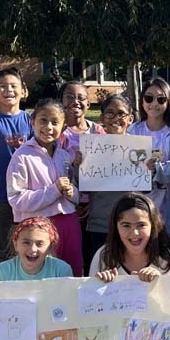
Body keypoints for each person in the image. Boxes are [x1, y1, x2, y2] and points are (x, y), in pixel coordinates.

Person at [7, 99, 83, 276]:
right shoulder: (22, 156)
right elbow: (16, 199)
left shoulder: (64, 156)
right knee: (43, 274)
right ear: (32, 122)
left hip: (69, 222)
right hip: (38, 227)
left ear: (63, 127)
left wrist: (72, 192)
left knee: (72, 271)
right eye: (43, 120)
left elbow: (74, 193)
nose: (48, 127)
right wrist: (53, 190)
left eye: (55, 122)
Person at [128, 77, 170, 248]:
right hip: (137, 212)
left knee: (167, 258)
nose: (154, 103)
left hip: (168, 212)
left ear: (168, 102)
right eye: (149, 98)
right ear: (142, 101)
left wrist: (156, 170)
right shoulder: (132, 130)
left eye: (161, 99)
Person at [0, 68, 33, 259]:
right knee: (5, 245)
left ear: (23, 90)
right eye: (2, 86)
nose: (8, 90)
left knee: (30, 240)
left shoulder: (30, 119)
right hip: (2, 191)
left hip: (29, 192)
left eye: (13, 86)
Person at [58, 80, 106, 272]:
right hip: (66, 204)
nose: (75, 101)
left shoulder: (98, 131)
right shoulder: (57, 132)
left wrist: (92, 202)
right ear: (61, 101)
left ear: (88, 103)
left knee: (93, 253)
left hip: (95, 204)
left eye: (81, 97)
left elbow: (108, 170)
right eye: (69, 96)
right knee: (71, 254)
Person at [83, 94, 136, 265]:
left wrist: (150, 170)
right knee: (98, 269)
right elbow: (84, 187)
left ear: (130, 119)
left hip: (130, 224)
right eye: (110, 113)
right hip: (100, 223)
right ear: (102, 118)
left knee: (128, 271)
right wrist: (79, 165)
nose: (115, 118)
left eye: (121, 114)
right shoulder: (92, 148)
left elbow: (146, 188)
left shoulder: (139, 148)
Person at [90, 192, 170, 283]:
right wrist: (100, 284)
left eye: (141, 225)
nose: (135, 233)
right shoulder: (104, 256)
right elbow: (89, 292)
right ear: (116, 227)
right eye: (126, 225)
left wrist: (159, 283)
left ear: (153, 226)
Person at [0, 217, 73, 281]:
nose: (33, 249)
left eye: (39, 244)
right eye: (26, 243)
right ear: (16, 244)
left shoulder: (61, 270)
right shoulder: (3, 272)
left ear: (50, 247)